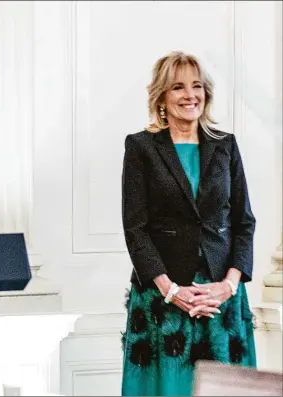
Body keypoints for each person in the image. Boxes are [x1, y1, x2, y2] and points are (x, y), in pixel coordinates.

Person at [120, 51, 256, 396]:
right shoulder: (141, 147)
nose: (190, 95)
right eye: (178, 87)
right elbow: (135, 228)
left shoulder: (226, 145)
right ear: (163, 96)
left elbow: (244, 221)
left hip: (220, 299)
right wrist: (171, 291)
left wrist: (228, 285)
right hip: (162, 298)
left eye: (197, 86)